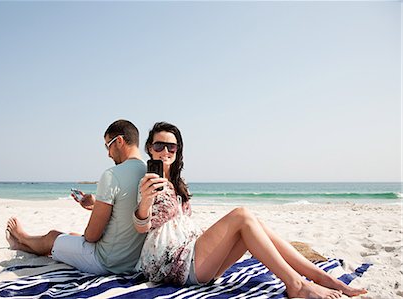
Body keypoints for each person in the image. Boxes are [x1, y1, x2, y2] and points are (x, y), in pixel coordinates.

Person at [133, 122, 367, 299]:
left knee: (253, 224)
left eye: (171, 146)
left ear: (178, 150)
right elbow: (142, 227)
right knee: (242, 215)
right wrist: (145, 201)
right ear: (149, 149)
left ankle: (321, 277)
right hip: (172, 264)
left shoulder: (177, 183)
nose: (165, 151)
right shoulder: (147, 182)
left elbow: (182, 225)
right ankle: (296, 285)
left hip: (196, 259)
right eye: (159, 145)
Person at [6, 119, 147, 275]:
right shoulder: (149, 174)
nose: (108, 154)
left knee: (53, 236)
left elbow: (92, 236)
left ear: (119, 141)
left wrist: (95, 216)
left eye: (108, 146)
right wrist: (97, 206)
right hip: (132, 262)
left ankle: (22, 238)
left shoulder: (112, 175)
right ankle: (22, 246)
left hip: (106, 262)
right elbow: (128, 210)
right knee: (72, 236)